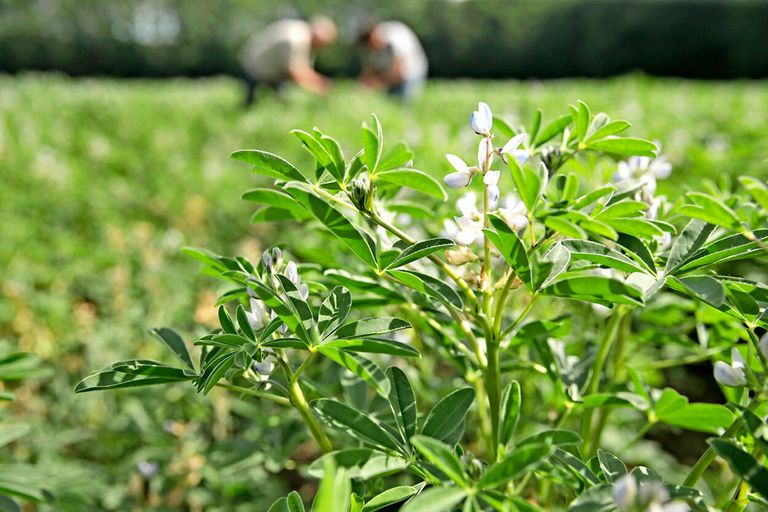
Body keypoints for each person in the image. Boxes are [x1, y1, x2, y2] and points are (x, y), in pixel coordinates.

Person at [238, 16, 337, 106]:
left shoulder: (301, 32)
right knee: (252, 101)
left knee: (277, 101)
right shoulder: (296, 40)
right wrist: (319, 84)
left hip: (271, 68)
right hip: (256, 65)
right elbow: (294, 71)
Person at [358, 21, 428, 101]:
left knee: (405, 102)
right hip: (392, 77)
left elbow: (399, 72)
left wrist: (379, 82)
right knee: (391, 103)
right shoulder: (373, 45)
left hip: (412, 72)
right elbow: (371, 69)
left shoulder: (396, 37)